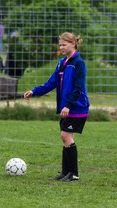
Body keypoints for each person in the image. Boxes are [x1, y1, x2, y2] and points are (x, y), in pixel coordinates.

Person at [24, 32, 89, 182]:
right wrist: (34, 91)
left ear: (73, 44)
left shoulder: (79, 63)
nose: (61, 47)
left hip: (76, 107)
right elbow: (51, 83)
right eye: (60, 45)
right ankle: (66, 172)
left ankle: (74, 173)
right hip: (66, 108)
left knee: (66, 136)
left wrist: (68, 105)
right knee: (65, 137)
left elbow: (78, 88)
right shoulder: (62, 63)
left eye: (64, 44)